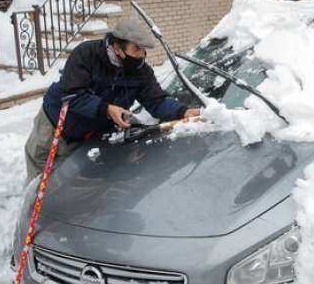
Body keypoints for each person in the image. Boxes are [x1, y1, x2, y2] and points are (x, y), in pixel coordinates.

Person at [24, 17, 200, 181]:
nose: (141, 55)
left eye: (143, 49)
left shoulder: (141, 72)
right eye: (136, 49)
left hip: (88, 135)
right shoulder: (87, 55)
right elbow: (73, 95)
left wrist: (182, 111)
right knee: (40, 177)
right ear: (117, 48)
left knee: (65, 181)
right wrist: (106, 109)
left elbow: (157, 101)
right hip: (55, 124)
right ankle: (34, 202)